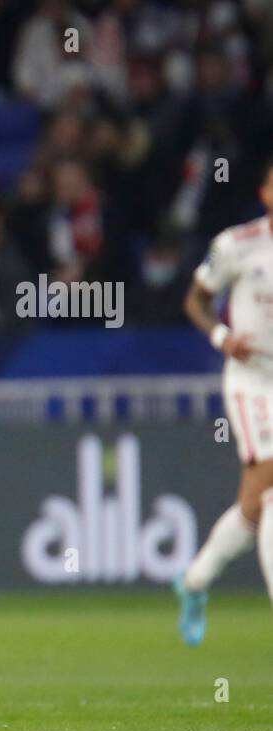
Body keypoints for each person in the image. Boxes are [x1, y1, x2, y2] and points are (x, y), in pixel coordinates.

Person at [174, 159, 273, 644]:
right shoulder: (238, 244)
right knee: (272, 481)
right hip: (252, 380)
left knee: (255, 506)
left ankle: (194, 580)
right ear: (266, 191)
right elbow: (195, 299)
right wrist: (221, 336)